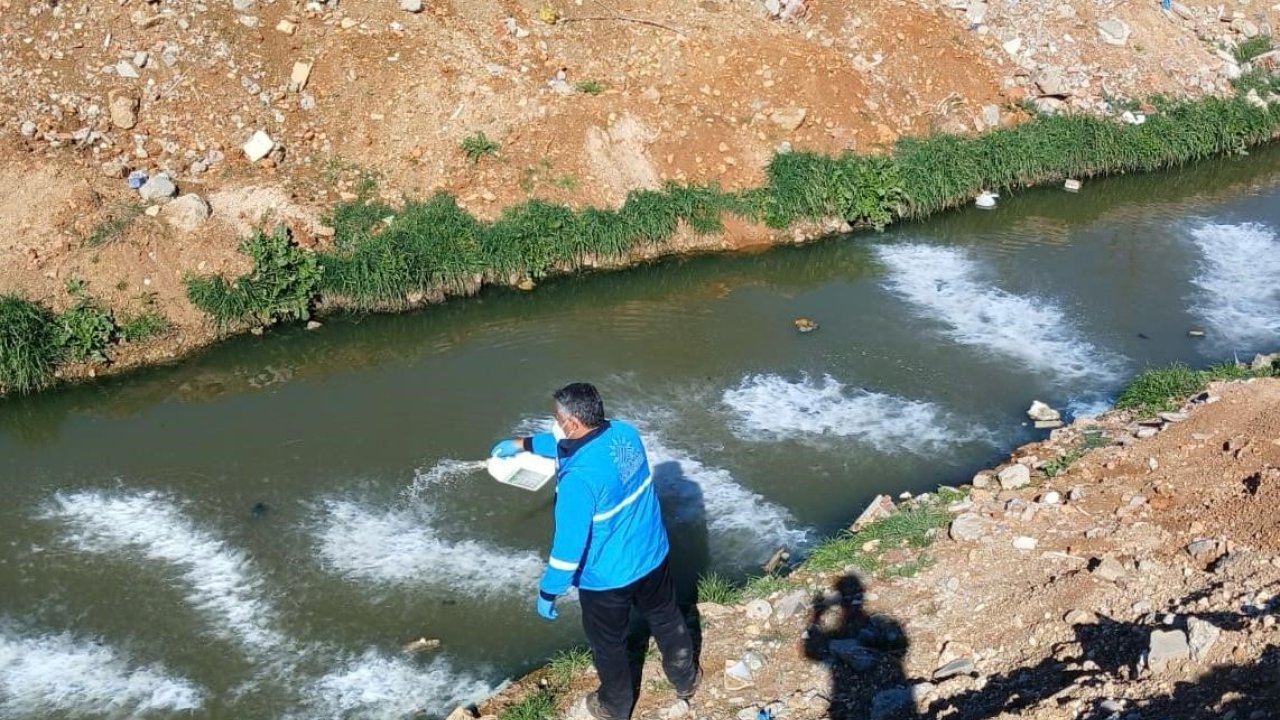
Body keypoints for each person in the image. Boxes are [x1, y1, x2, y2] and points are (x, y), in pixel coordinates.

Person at [491, 382, 701, 720]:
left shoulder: (578, 481)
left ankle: (614, 706)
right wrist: (521, 444)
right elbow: (563, 443)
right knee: (666, 617)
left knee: (609, 645)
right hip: (652, 553)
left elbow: (567, 550)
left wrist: (549, 590)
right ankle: (685, 678)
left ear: (572, 422)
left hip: (608, 578)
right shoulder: (624, 433)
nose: (554, 424)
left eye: (556, 419)